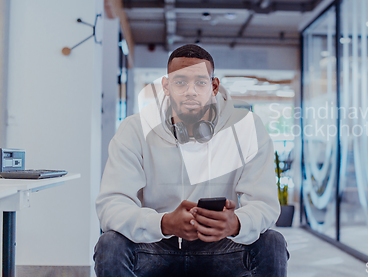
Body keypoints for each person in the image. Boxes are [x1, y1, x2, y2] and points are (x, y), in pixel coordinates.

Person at [93, 44, 289, 276]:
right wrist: (163, 223)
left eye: (200, 82)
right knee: (110, 244)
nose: (190, 91)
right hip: (156, 246)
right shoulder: (135, 128)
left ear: (214, 86)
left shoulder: (247, 128)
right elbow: (111, 205)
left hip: (222, 247)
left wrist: (236, 223)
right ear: (166, 86)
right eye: (180, 82)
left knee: (272, 242)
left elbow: (265, 204)